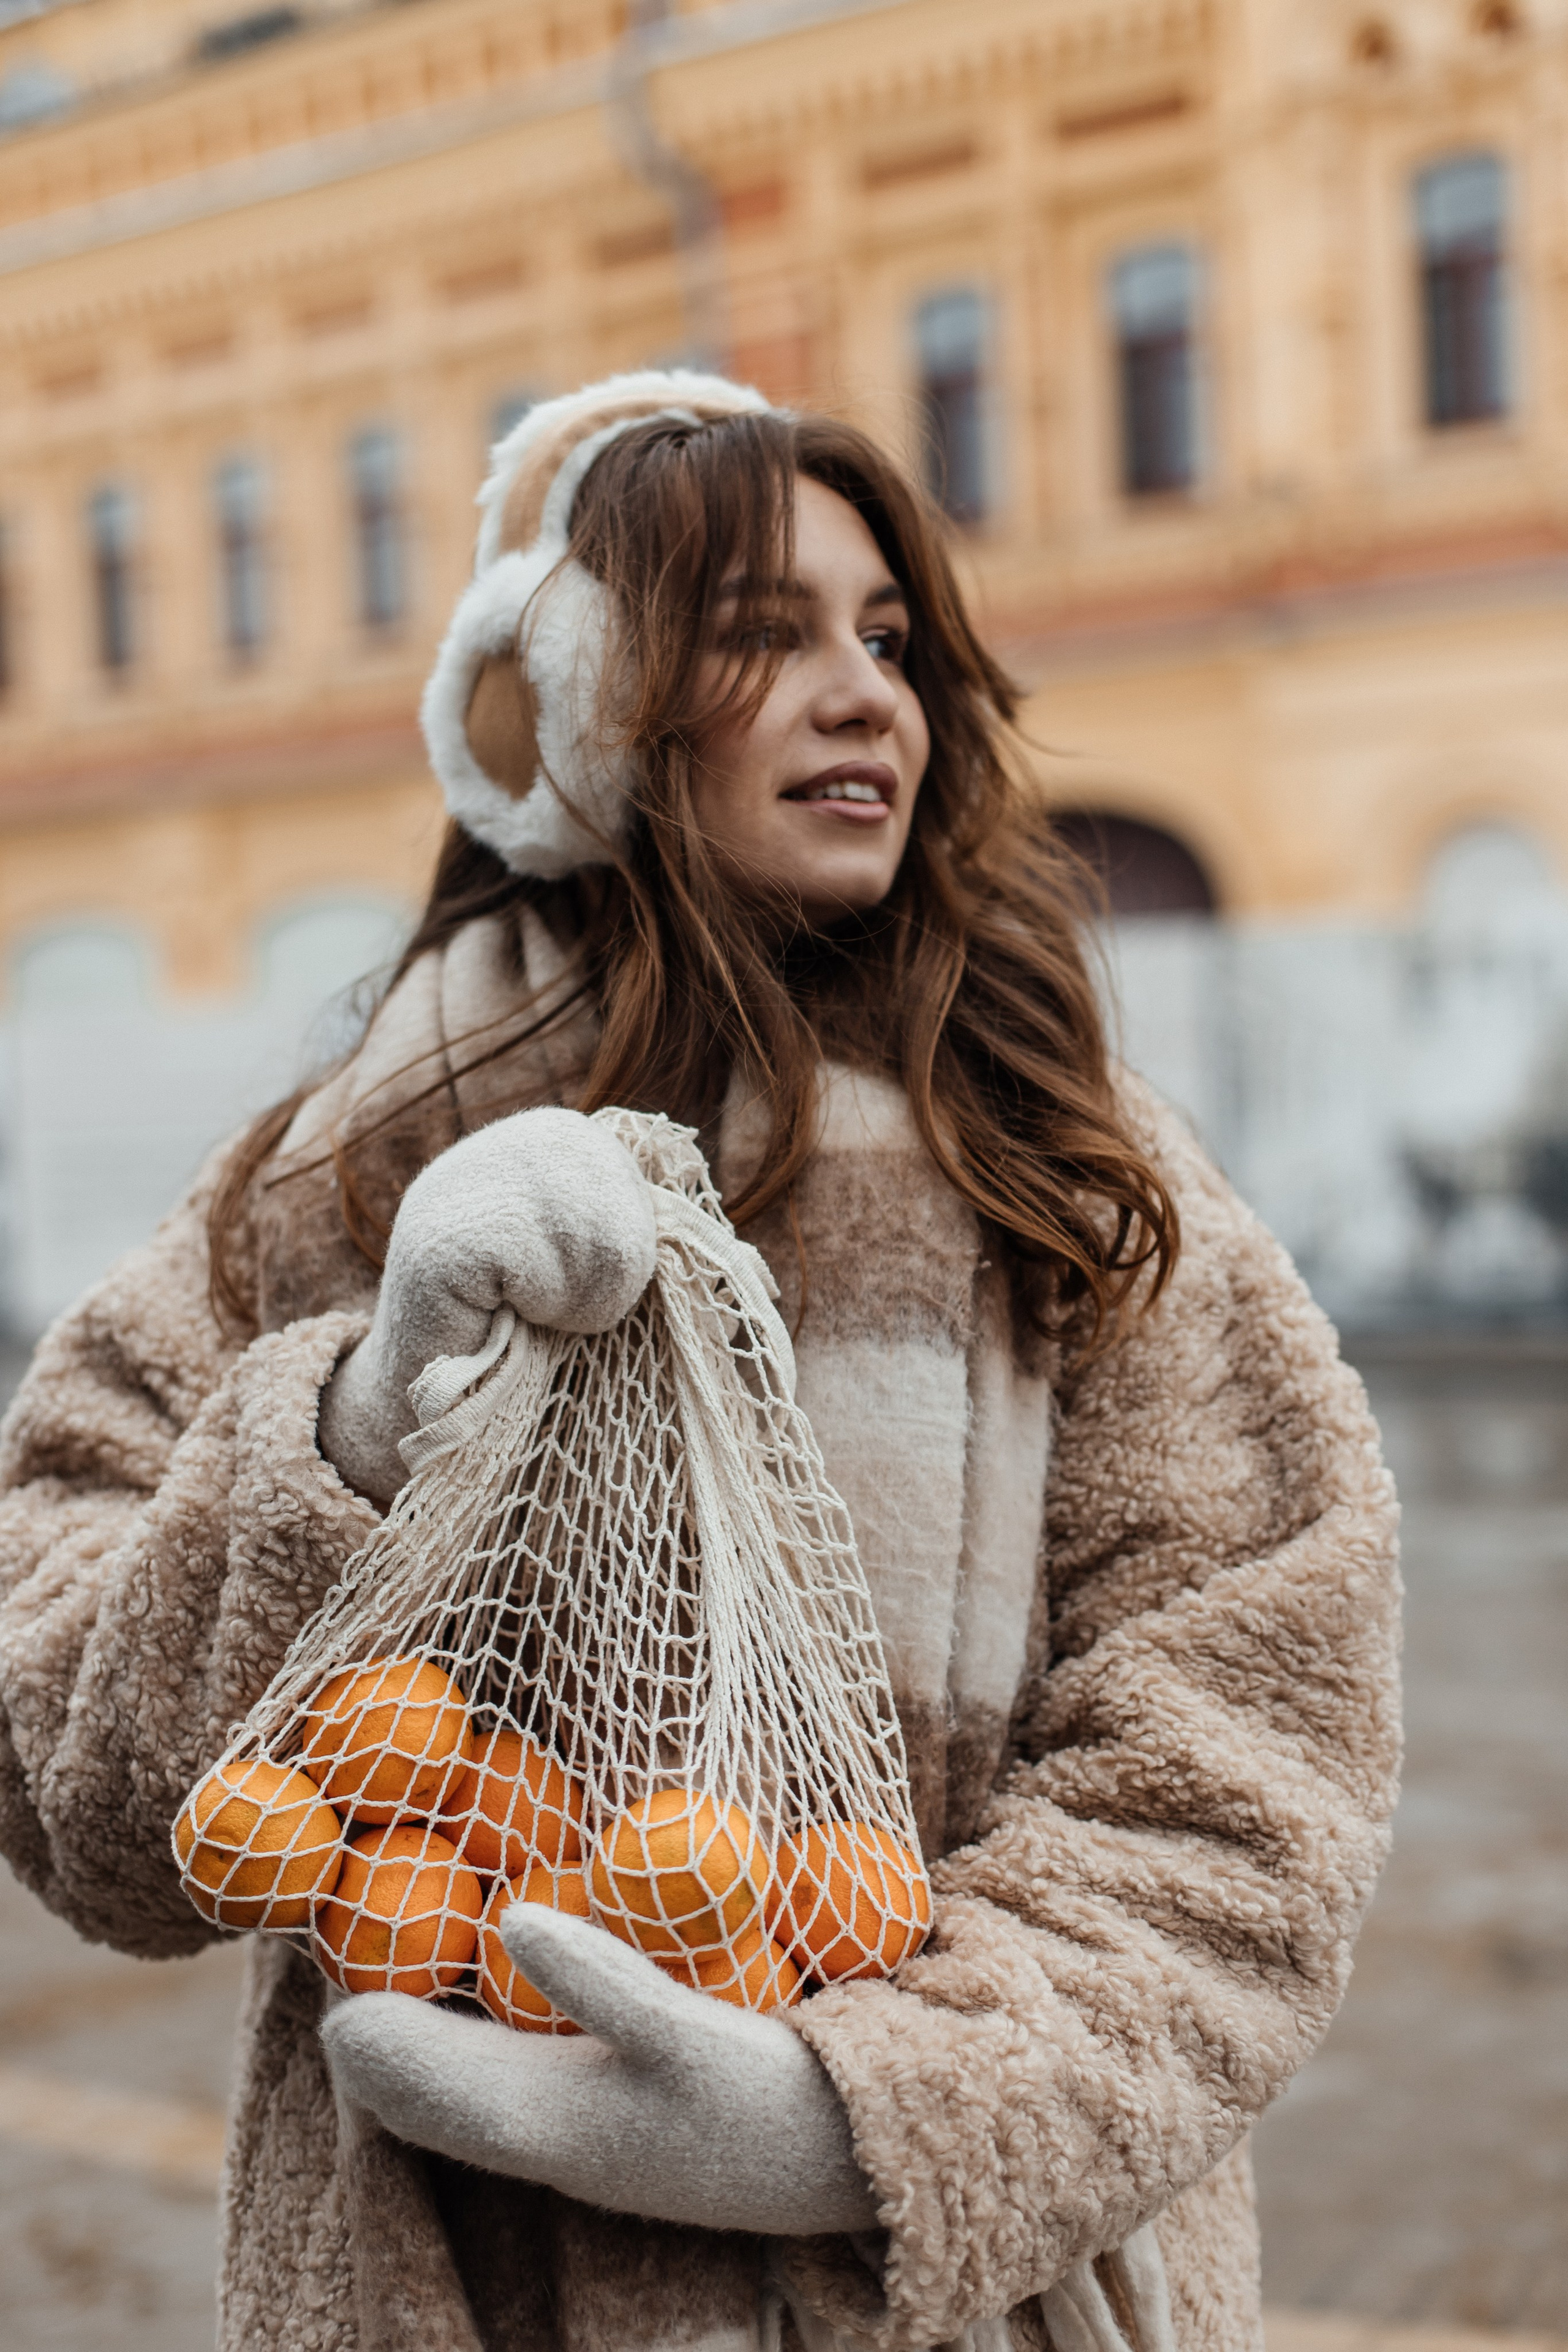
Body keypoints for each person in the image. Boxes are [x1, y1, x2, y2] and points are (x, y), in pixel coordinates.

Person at [0, 371, 1400, 2352]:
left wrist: (861, 2118)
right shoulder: (364, 1154)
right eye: (765, 638)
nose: (868, 698)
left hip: (983, 2307)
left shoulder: (1068, 1158)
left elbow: (1252, 1769)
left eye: (891, 641)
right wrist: (357, 1421)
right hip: (457, 2290)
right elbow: (64, 1762)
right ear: (576, 711)